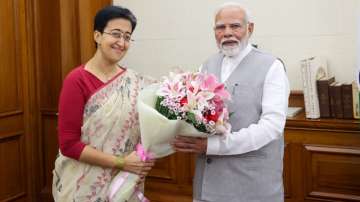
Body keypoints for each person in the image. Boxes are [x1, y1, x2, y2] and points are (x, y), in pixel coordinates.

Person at [172, 2, 290, 202]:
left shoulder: (272, 66)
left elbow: (272, 127)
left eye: (235, 26)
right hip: (208, 183)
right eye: (220, 27)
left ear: (249, 28)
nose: (227, 33)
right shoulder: (206, 65)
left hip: (252, 185)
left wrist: (215, 146)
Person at [52, 5, 155, 202]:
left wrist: (139, 162)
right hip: (84, 186)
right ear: (97, 36)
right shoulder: (77, 80)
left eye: (127, 36)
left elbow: (147, 132)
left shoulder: (134, 81)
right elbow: (68, 144)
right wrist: (121, 162)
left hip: (124, 183)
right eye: (115, 34)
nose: (121, 42)